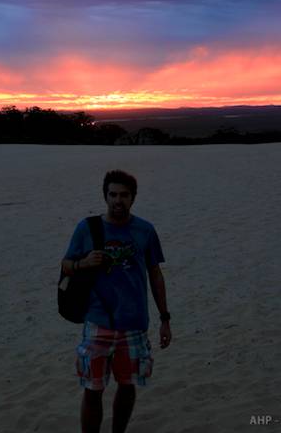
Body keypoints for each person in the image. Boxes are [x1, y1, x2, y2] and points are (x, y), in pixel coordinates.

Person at [62, 169, 172, 433]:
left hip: (134, 323)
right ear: (105, 196)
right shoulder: (87, 228)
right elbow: (66, 265)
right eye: (113, 194)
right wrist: (83, 263)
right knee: (93, 389)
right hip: (97, 322)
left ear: (133, 197)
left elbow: (155, 274)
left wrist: (165, 318)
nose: (118, 200)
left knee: (127, 384)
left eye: (124, 195)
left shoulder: (145, 230)